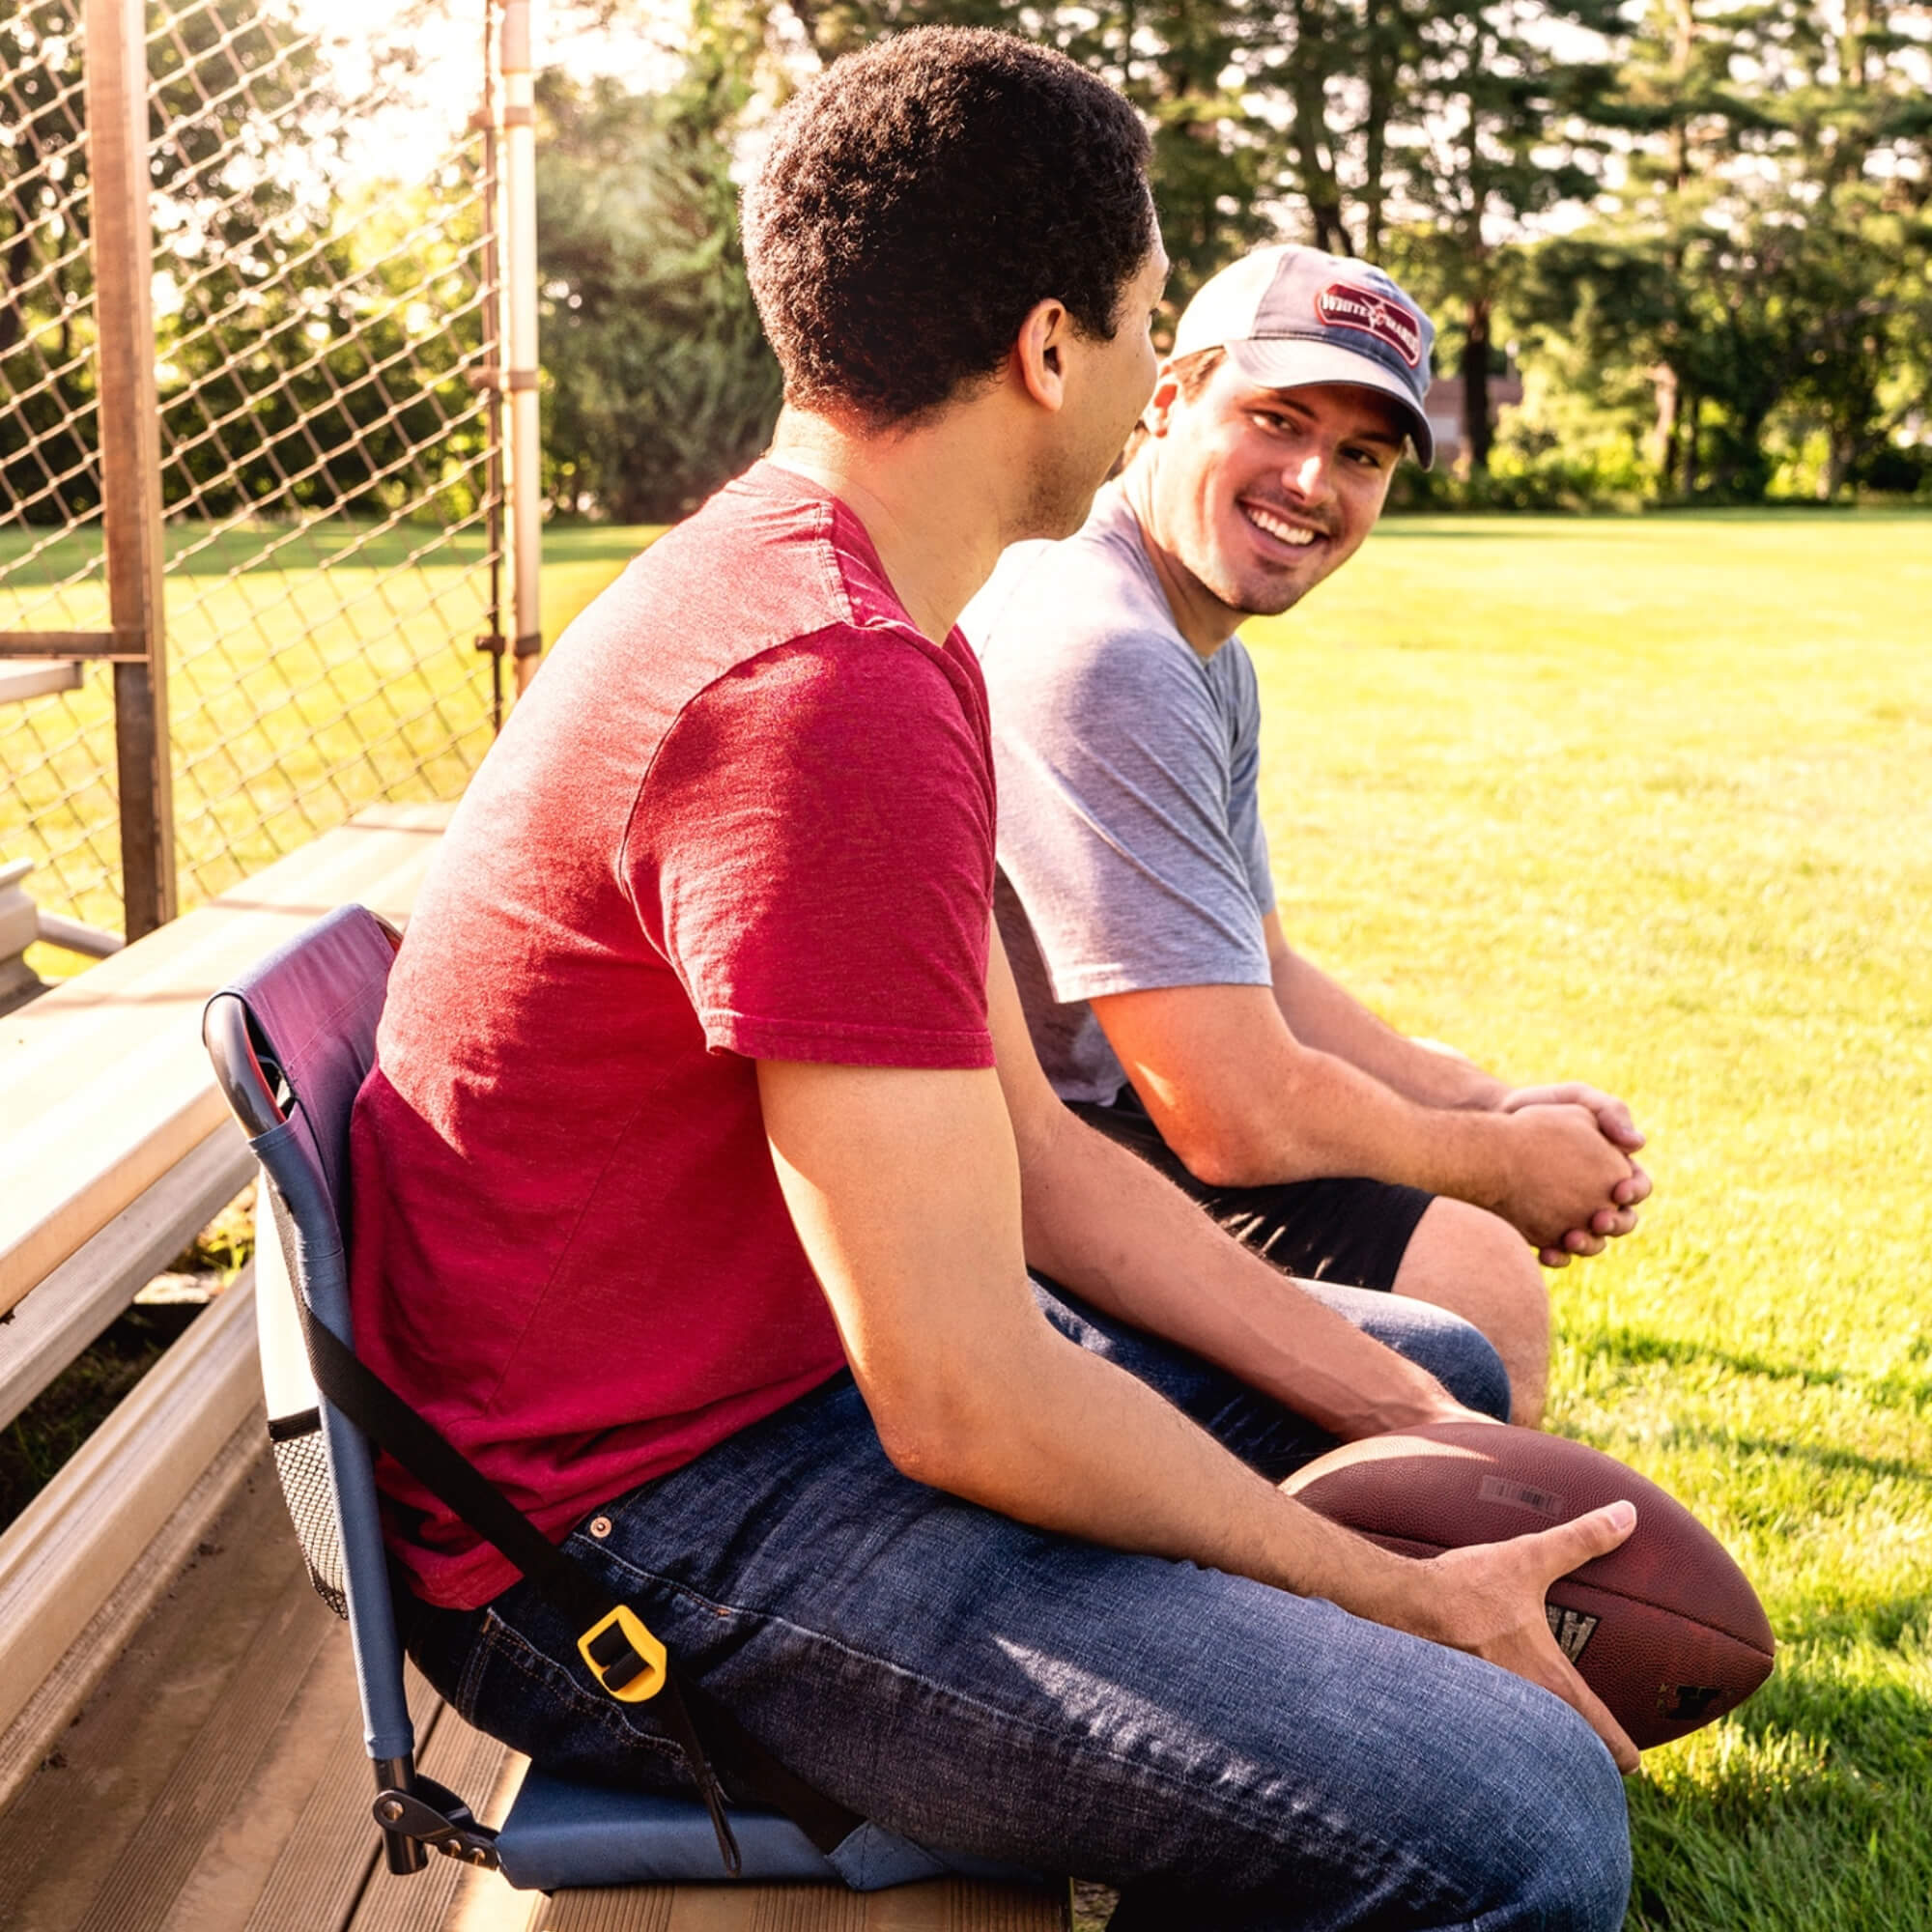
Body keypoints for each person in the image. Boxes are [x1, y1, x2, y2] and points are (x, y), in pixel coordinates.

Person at [348, 33, 1636, 1929]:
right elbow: (959, 1392)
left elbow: (1034, 1161)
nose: (1139, 382)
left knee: (1428, 1371)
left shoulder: (877, 623)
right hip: (625, 1543)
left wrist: (1414, 1425)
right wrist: (1382, 1594)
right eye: (1135, 326)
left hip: (759, 1412)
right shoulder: (822, 683)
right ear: (1050, 345)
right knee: (1517, 1813)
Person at [963, 245, 1651, 1428]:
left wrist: (1491, 1103)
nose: (1310, 479)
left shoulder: (1191, 646)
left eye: (1361, 455)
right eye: (1276, 420)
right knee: (1471, 1272)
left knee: (1455, 1239)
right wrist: (1503, 1166)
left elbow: (1264, 971)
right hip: (1003, 1169)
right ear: (1169, 398)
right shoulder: (1108, 647)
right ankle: (1426, 1601)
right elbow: (1231, 1112)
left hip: (1079, 1125)